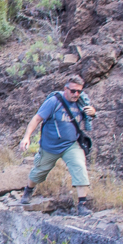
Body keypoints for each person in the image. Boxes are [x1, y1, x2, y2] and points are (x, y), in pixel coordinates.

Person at [16, 74, 95, 214]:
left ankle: (82, 204)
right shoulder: (54, 102)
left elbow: (88, 117)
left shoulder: (82, 102)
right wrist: (26, 137)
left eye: (79, 91)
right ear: (65, 89)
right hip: (50, 146)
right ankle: (28, 190)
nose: (76, 94)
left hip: (71, 144)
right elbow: (37, 119)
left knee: (79, 166)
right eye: (73, 91)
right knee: (39, 172)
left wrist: (92, 113)